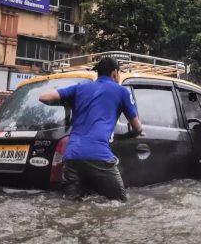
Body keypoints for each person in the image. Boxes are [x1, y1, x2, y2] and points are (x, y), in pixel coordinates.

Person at [39, 57, 143, 201]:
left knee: (71, 205)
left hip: (71, 157)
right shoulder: (122, 92)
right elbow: (138, 128)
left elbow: (43, 97)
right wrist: (126, 135)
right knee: (121, 203)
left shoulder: (79, 88)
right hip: (99, 156)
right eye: (119, 73)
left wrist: (67, 102)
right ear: (114, 73)